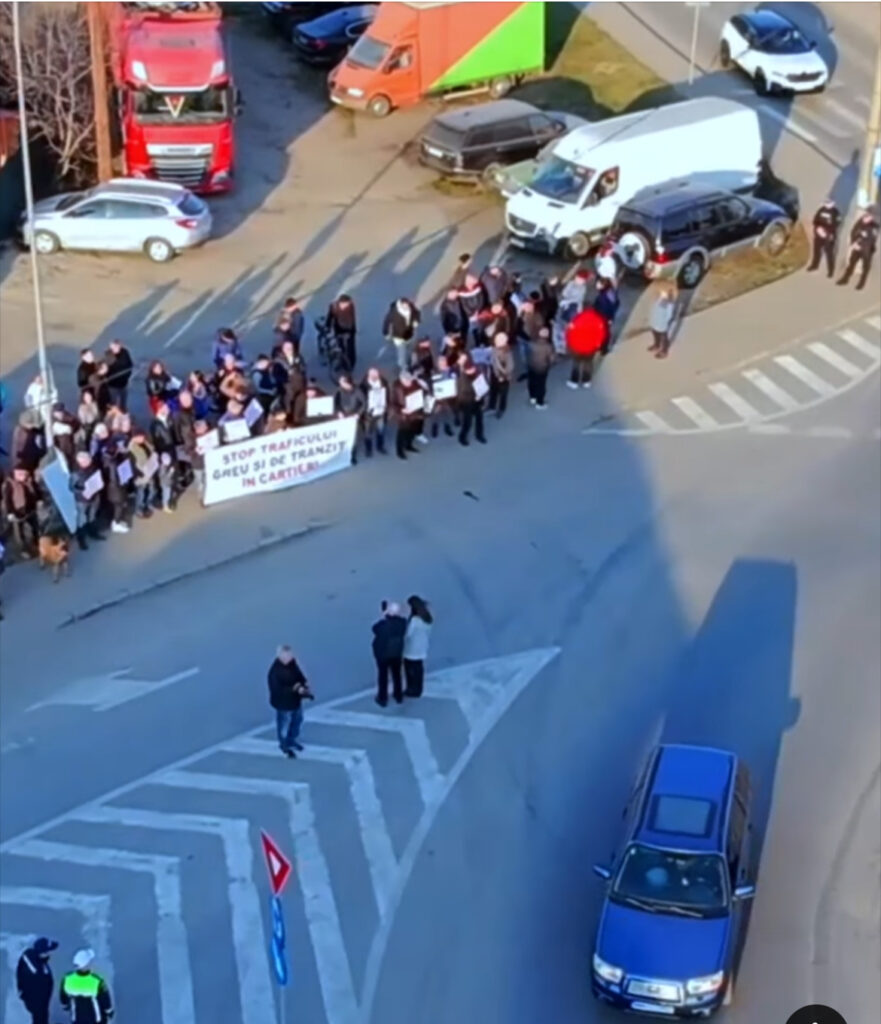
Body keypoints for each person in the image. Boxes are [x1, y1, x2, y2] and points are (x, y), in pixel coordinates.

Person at [267, 645, 314, 758]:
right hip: (283, 704)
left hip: (295, 701)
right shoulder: (274, 672)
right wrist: (296, 688)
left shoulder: (292, 664)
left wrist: (304, 683)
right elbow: (278, 691)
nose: (290, 657)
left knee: (297, 721)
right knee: (284, 726)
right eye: (287, 655)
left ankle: (291, 740)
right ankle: (284, 746)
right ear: (280, 656)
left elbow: (299, 675)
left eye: (290, 655)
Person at [60, 948, 114, 1024]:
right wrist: (109, 1011)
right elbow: (105, 1000)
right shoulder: (97, 981)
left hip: (77, 1020)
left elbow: (63, 997)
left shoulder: (67, 979)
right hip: (96, 1020)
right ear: (87, 965)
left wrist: (65, 1006)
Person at [372, 601, 407, 706]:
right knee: (397, 675)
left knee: (383, 676)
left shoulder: (382, 625)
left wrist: (385, 615)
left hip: (383, 655)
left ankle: (382, 698)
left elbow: (374, 629)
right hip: (396, 653)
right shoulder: (402, 623)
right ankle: (398, 695)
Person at [16, 937, 58, 1024]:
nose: (51, 954)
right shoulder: (39, 973)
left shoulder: (30, 958)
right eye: (48, 951)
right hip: (38, 1002)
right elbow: (43, 982)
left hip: (38, 1000)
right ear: (43, 953)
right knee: (40, 1018)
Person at [565, 307, 608, 389]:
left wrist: (570, 344)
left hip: (577, 347)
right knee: (588, 364)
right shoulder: (598, 320)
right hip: (590, 348)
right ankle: (586, 381)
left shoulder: (577, 319)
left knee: (576, 364)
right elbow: (602, 334)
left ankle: (574, 381)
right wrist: (597, 345)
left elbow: (569, 333)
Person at [837, 209, 879, 291]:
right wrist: (853, 243)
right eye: (865, 215)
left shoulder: (875, 227)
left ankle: (862, 282)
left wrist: (861, 245)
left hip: (866, 250)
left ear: (871, 217)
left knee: (865, 267)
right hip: (856, 247)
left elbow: (871, 240)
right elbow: (853, 231)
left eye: (868, 216)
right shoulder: (860, 222)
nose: (865, 218)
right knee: (851, 263)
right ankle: (845, 279)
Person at [71, 450, 104, 550]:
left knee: (92, 516)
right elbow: (71, 487)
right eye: (85, 461)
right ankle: (81, 540)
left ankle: (93, 533)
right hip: (82, 500)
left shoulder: (93, 468)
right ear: (80, 462)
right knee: (82, 520)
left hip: (94, 497)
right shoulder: (75, 473)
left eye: (88, 460)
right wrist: (82, 491)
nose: (88, 462)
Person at [403, 595, 433, 698]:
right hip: (422, 647)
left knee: (410, 669)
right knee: (419, 669)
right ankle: (418, 689)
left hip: (411, 649)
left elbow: (408, 634)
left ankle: (411, 688)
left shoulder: (414, 620)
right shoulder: (427, 618)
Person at [391, 370, 424, 459]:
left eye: (410, 380)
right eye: (407, 381)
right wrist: (402, 410)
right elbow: (393, 403)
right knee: (402, 433)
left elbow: (421, 392)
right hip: (404, 415)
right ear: (402, 380)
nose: (410, 382)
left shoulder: (415, 384)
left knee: (412, 431)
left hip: (415, 413)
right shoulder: (396, 388)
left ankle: (408, 445)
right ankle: (399, 451)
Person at [382, 297, 421, 372]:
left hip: (411, 333)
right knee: (401, 355)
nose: (407, 307)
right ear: (401, 305)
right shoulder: (394, 312)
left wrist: (416, 321)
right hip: (399, 337)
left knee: (412, 350)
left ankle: (413, 365)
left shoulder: (411, 308)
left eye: (407, 306)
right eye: (405, 306)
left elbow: (417, 313)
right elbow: (386, 322)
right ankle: (403, 369)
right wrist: (386, 333)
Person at [456, 353, 487, 446]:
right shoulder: (462, 379)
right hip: (467, 402)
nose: (471, 371)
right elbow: (463, 392)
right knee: (467, 422)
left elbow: (482, 383)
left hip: (476, 401)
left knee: (479, 418)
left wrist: (481, 393)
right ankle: (462, 437)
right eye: (469, 369)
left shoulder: (477, 373)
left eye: (472, 368)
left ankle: (479, 435)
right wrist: (475, 394)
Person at [334, 374, 365, 464]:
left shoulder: (357, 391)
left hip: (353, 417)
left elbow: (364, 403)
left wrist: (358, 414)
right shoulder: (339, 391)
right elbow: (336, 403)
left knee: (353, 437)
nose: (340, 384)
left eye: (342, 382)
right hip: (343, 416)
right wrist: (339, 412)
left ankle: (352, 456)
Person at [807, 199, 841, 278]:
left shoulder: (836, 213)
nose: (827, 205)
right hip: (819, 234)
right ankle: (814, 265)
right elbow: (815, 220)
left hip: (829, 236)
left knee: (829, 254)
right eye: (826, 203)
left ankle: (830, 270)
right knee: (816, 251)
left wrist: (827, 233)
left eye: (829, 203)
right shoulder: (821, 210)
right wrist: (818, 228)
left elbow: (836, 225)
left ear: (833, 204)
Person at [360, 367, 389, 456]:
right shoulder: (363, 386)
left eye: (376, 374)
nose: (375, 376)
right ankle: (368, 449)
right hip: (369, 414)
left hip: (380, 412)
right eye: (372, 375)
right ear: (368, 375)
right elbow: (361, 400)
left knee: (381, 431)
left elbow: (387, 395)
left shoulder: (383, 383)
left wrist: (386, 406)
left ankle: (380, 447)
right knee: (368, 432)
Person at [326, 293, 358, 370]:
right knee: (340, 347)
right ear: (341, 303)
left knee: (350, 348)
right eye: (347, 304)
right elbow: (330, 317)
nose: (348, 305)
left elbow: (351, 320)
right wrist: (327, 326)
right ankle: (342, 362)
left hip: (349, 330)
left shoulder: (350, 307)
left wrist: (349, 333)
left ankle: (351, 364)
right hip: (338, 329)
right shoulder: (333, 306)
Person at [526, 326, 554, 409]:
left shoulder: (531, 343)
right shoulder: (548, 346)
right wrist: (549, 364)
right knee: (541, 385)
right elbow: (552, 359)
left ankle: (532, 397)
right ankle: (540, 402)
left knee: (532, 382)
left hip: (532, 366)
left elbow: (528, 354)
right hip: (542, 368)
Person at [488, 332, 514, 418]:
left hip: (503, 377)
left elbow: (510, 367)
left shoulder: (507, 353)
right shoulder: (495, 348)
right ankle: (491, 406)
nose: (495, 341)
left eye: (498, 340)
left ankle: (501, 409)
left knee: (503, 395)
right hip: (495, 374)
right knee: (493, 391)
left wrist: (503, 376)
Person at [648, 284, 678, 358]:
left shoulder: (669, 300)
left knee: (663, 334)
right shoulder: (660, 295)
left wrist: (667, 320)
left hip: (662, 318)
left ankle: (664, 350)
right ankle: (657, 344)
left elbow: (669, 312)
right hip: (656, 315)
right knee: (654, 330)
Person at [105, 338, 134, 411]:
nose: (113, 349)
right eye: (112, 347)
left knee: (123, 402)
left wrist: (127, 376)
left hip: (124, 383)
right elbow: (106, 369)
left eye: (115, 347)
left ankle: (123, 413)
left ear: (119, 346)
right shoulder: (108, 354)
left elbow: (130, 365)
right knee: (113, 402)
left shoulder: (125, 352)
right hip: (113, 384)